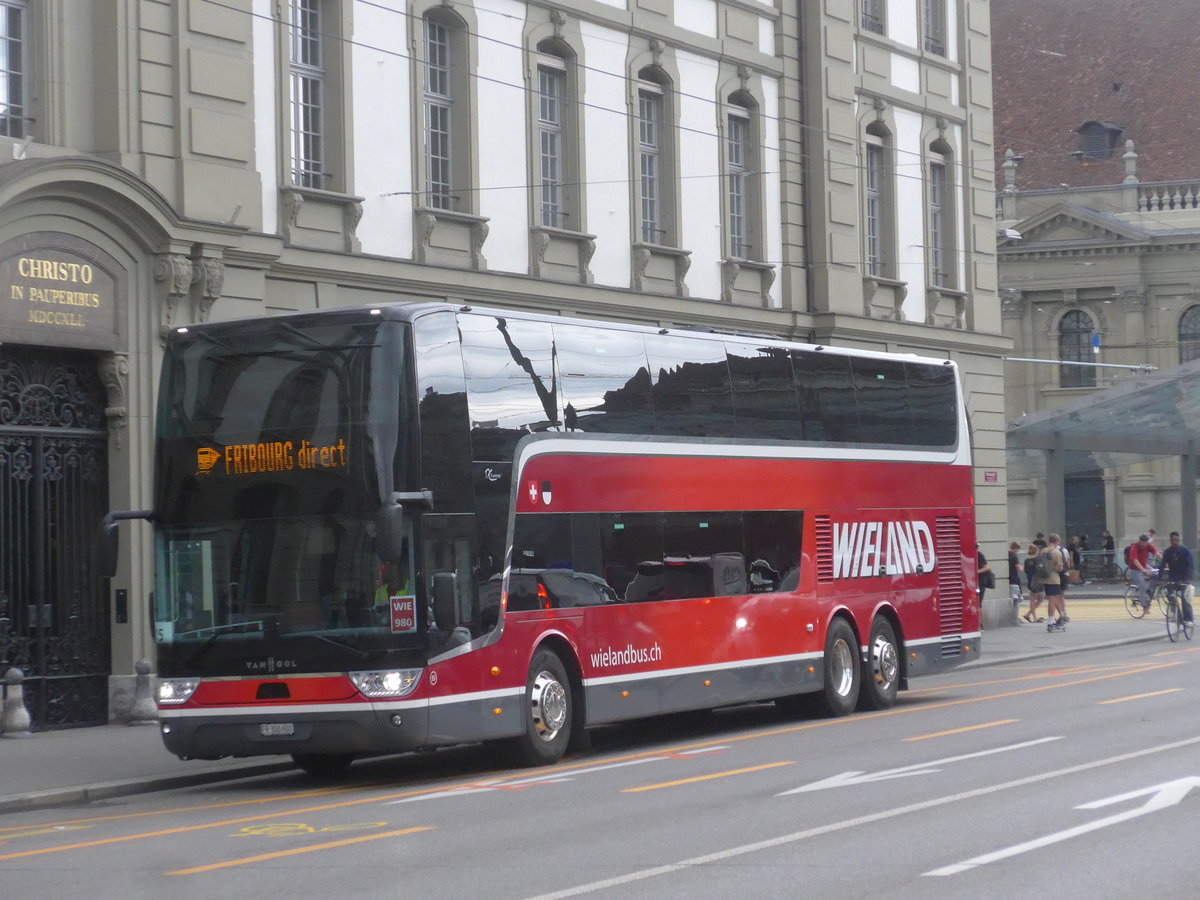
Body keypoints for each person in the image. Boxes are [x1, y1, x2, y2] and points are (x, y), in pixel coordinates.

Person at [1158, 531, 1194, 624]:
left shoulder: (1185, 551)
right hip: (1173, 578)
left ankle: (1188, 619)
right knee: (1171, 595)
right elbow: (1162, 565)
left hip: (1184, 578)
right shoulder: (1167, 552)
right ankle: (1174, 613)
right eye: (1173, 540)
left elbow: (1190, 565)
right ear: (1170, 540)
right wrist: (1160, 579)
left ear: (1179, 540)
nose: (1175, 542)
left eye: (1176, 540)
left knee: (1184, 598)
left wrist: (1188, 578)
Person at [1127, 532, 1159, 613]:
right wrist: (1143, 570)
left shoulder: (1148, 545)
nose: (1145, 544)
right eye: (1143, 542)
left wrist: (1166, 562)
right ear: (1140, 541)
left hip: (1144, 565)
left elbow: (1157, 553)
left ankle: (1150, 591)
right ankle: (1145, 606)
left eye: (1146, 542)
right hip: (1135, 569)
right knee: (1142, 585)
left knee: (1157, 574)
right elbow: (1135, 560)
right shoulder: (1135, 547)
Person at [1042, 533, 1067, 630]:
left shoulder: (1043, 551)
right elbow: (1059, 568)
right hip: (1054, 579)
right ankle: (1051, 621)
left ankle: (1061, 615)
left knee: (1054, 598)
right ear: (1057, 542)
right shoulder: (1057, 553)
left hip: (1044, 578)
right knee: (1052, 600)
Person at [1022, 542, 1045, 623]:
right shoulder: (1037, 560)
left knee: (1033, 599)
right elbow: (1040, 570)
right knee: (1040, 599)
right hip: (1037, 581)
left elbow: (1026, 571)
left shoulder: (1026, 560)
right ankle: (1032, 616)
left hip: (1030, 581)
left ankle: (1029, 615)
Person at [1007, 541, 1023, 615]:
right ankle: (1015, 616)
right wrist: (1022, 567)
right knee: (1016, 598)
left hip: (1007, 579)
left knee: (1010, 597)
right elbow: (1019, 569)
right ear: (1016, 548)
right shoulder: (1014, 556)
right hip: (1014, 579)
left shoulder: (1006, 554)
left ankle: (1010, 615)